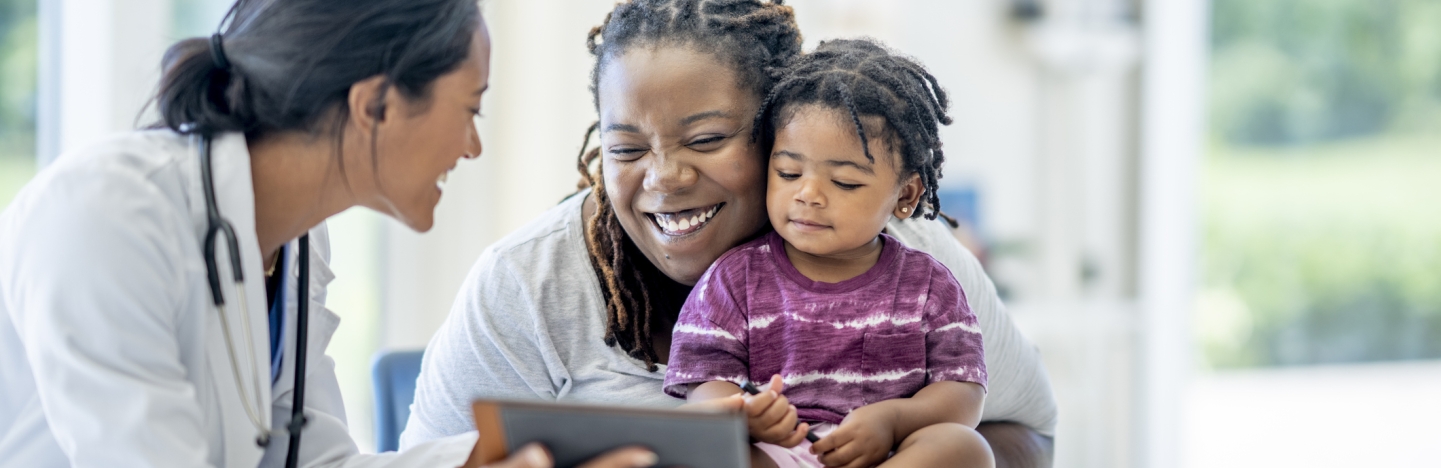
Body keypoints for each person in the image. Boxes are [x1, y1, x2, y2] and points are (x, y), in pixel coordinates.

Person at [402, 0, 1059, 465]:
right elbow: (428, 460)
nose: (663, 177)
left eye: (708, 139)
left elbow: (1027, 435)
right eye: (625, 148)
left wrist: (901, 436)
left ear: (785, 126)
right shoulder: (525, 282)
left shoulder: (906, 256)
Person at [0, 1, 655, 467]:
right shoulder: (104, 215)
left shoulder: (294, 243)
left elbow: (317, 461)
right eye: (469, 109)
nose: (472, 147)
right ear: (375, 105)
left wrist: (511, 455)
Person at [663, 38, 993, 468]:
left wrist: (895, 419)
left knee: (965, 448)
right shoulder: (732, 280)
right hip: (776, 454)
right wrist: (749, 417)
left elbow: (963, 392)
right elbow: (703, 385)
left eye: (845, 183)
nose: (808, 194)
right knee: (705, 450)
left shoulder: (928, 286)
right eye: (788, 172)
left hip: (889, 455)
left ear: (906, 195)